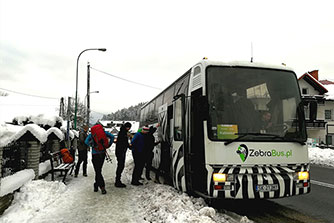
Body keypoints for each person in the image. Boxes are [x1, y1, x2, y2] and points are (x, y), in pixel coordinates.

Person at [85, 123, 114, 194]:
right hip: (102, 153)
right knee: (98, 170)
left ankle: (102, 187)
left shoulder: (92, 134)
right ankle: (96, 185)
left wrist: (92, 146)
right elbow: (112, 137)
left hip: (95, 154)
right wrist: (108, 145)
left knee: (97, 171)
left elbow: (86, 142)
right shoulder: (104, 132)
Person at [115, 122, 132, 188]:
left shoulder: (122, 132)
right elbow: (124, 142)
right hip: (120, 151)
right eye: (129, 127)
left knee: (120, 165)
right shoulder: (123, 133)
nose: (129, 129)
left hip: (120, 151)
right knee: (120, 165)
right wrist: (129, 146)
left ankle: (118, 180)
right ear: (127, 127)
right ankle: (117, 181)